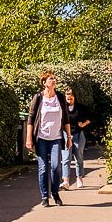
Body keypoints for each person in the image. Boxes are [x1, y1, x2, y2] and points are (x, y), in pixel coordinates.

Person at [26, 72, 72, 207]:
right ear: (44, 82)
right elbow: (31, 118)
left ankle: (55, 193)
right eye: (50, 79)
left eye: (54, 79)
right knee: (43, 168)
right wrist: (29, 138)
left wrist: (68, 137)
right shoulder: (38, 98)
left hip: (56, 137)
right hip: (42, 138)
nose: (53, 81)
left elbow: (66, 119)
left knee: (56, 166)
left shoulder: (60, 97)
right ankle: (45, 196)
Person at [60, 87, 91, 189]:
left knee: (79, 157)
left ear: (74, 97)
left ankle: (79, 177)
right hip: (65, 134)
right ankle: (66, 181)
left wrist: (83, 124)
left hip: (78, 133)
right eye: (67, 99)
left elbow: (89, 118)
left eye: (71, 99)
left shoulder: (80, 107)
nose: (69, 101)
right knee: (66, 158)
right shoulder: (62, 108)